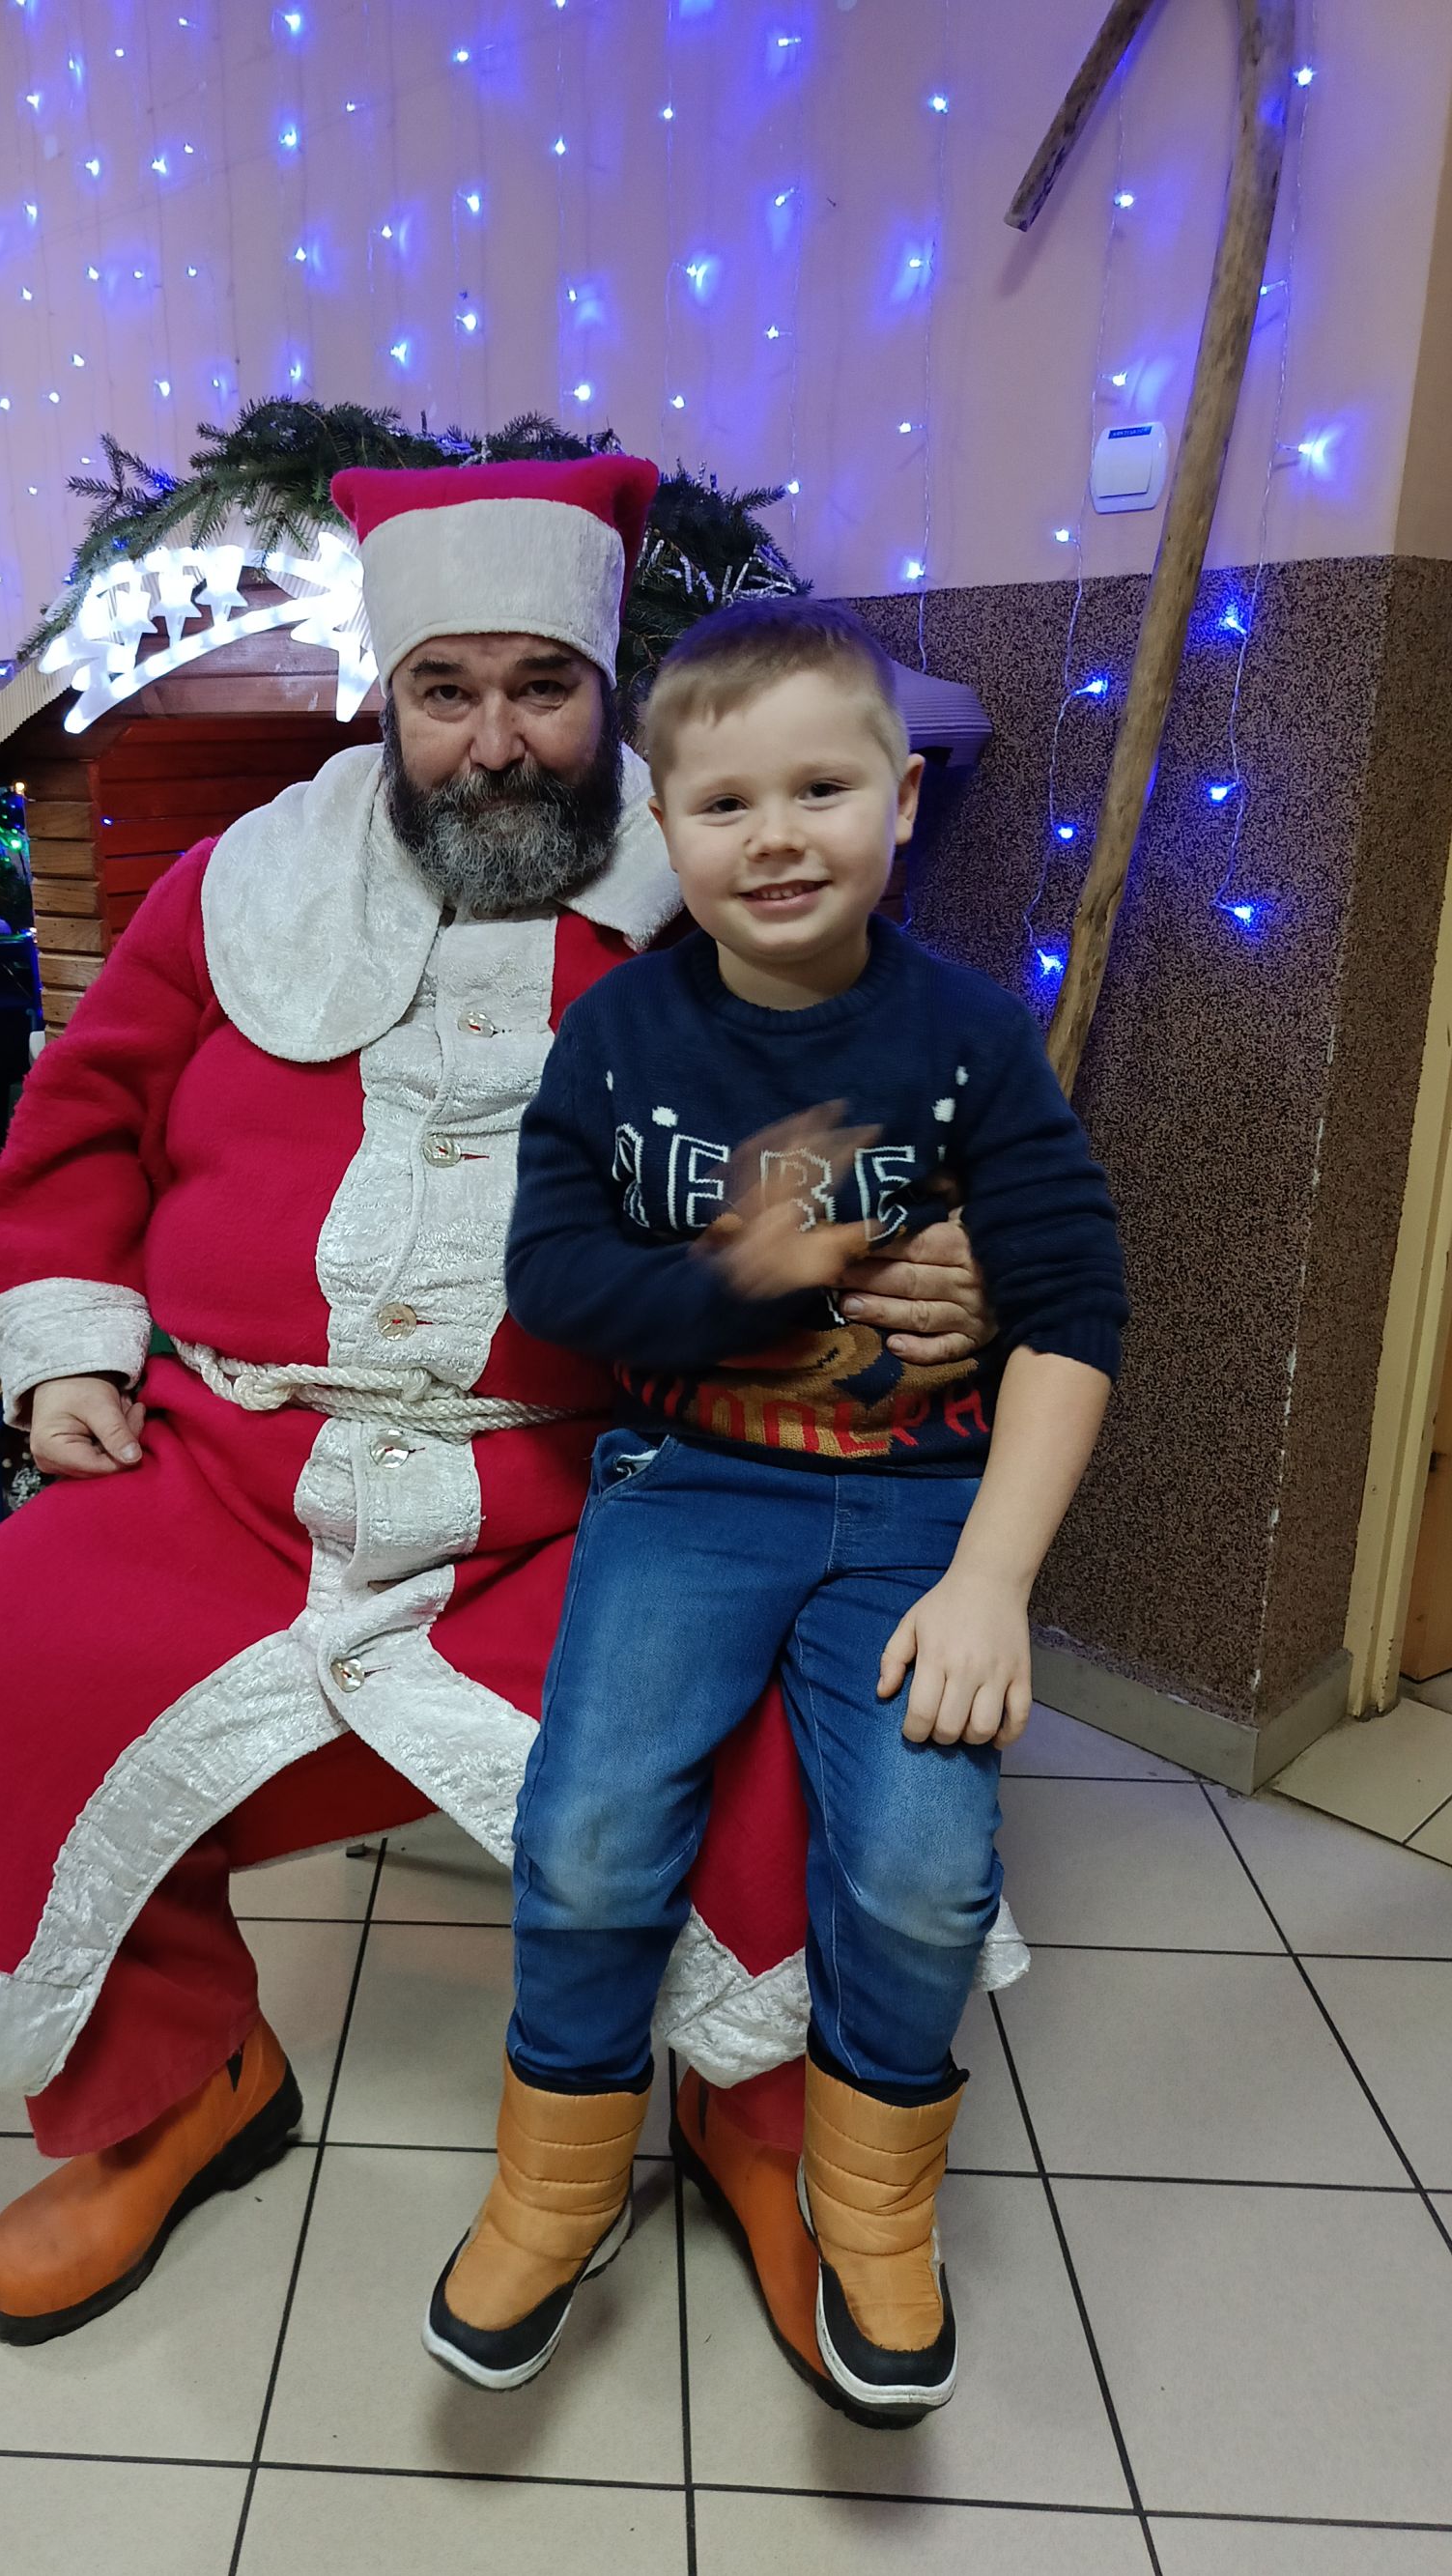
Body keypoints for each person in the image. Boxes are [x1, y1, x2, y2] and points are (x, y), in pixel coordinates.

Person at [0, 459, 1011, 2365]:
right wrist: (69, 1349)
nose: (492, 741)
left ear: (607, 692)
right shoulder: (239, 885)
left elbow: (870, 1133)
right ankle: (177, 2084)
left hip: (591, 1488)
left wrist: (921, 1265)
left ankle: (752, 2109)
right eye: (443, 691)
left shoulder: (718, 884)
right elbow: (76, 1126)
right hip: (234, 1464)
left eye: (540, 688)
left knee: (770, 1718)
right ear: (384, 693)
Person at [423, 596, 1127, 2423]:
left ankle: (871, 2201)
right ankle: (559, 2183)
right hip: (689, 1488)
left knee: (924, 1871)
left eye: (823, 788)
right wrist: (755, 1267)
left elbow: (1076, 1310)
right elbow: (553, 1281)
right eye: (727, 803)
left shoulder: (970, 1040)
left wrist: (994, 1583)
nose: (779, 836)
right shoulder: (616, 1039)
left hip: (922, 1511)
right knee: (589, 1836)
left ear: (903, 800)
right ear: (664, 826)